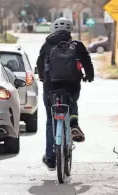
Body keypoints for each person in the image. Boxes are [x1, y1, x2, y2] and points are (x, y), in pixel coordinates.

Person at [36, 17, 94, 171]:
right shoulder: (76, 45)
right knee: (72, 101)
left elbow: (39, 65)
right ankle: (74, 123)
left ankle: (50, 158)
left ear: (53, 29)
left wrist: (42, 76)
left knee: (50, 121)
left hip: (51, 88)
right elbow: (87, 62)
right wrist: (89, 76)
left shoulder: (47, 45)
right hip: (71, 86)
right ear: (70, 30)